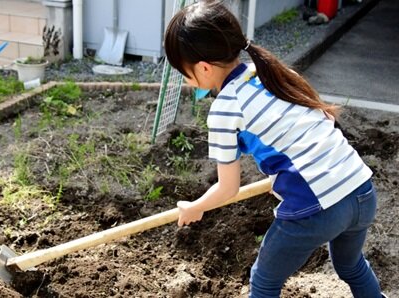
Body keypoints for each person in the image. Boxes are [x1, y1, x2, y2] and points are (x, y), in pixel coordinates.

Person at [164, 1, 385, 298]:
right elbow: (324, 121)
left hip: (318, 207)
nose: (187, 81)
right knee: (351, 265)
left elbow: (228, 189)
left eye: (185, 73)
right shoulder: (272, 73)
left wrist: (195, 207)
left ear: (203, 68)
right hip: (360, 189)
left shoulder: (225, 109)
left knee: (264, 281)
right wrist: (283, 177)